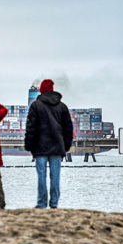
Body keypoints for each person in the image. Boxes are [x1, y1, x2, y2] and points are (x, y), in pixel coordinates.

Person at [25, 79, 73, 209]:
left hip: (40, 148)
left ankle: (41, 203)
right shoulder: (62, 107)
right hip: (57, 147)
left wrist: (29, 145)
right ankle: (54, 204)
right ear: (52, 89)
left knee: (41, 176)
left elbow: (31, 128)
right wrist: (66, 146)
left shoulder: (35, 105)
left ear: (40, 90)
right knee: (55, 176)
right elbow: (68, 129)